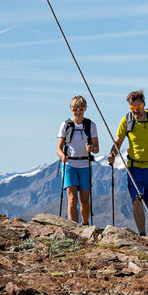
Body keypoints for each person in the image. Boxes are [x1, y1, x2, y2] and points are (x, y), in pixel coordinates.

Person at [107, 89, 148, 235]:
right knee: (137, 199)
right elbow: (118, 142)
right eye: (132, 108)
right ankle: (142, 234)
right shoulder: (127, 121)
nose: (135, 111)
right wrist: (112, 154)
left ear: (143, 104)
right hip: (134, 167)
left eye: (138, 108)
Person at [57, 95, 99, 224]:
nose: (77, 112)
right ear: (71, 109)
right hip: (69, 165)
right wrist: (62, 155)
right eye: (75, 109)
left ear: (85, 109)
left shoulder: (90, 125)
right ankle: (74, 228)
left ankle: (85, 224)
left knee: (85, 201)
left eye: (80, 109)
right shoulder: (65, 125)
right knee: (72, 198)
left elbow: (97, 148)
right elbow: (58, 148)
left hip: (85, 165)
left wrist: (91, 148)